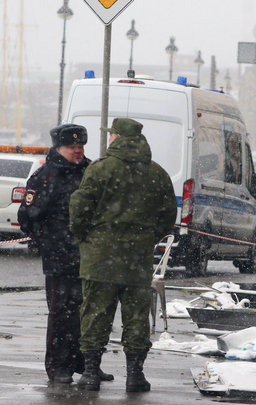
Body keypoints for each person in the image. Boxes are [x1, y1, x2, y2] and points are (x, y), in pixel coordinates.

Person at [69, 118, 176, 392]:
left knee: (94, 314)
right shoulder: (157, 173)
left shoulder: (101, 169)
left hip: (100, 256)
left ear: (116, 137)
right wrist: (146, 239)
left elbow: (80, 206)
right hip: (136, 259)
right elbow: (167, 217)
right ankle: (135, 375)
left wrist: (84, 237)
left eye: (110, 135)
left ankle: (91, 372)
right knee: (137, 317)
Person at [17, 124, 113, 384]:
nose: (77, 151)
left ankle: (87, 364)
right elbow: (28, 216)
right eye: (72, 147)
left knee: (89, 313)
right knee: (62, 315)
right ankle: (59, 367)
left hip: (90, 256)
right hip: (60, 258)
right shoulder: (45, 176)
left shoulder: (92, 171)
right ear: (59, 148)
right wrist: (48, 242)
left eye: (80, 146)